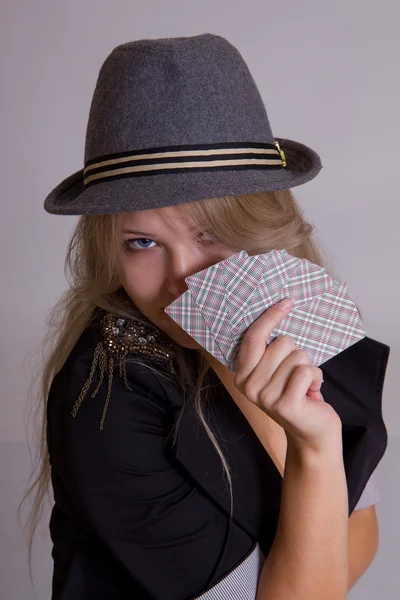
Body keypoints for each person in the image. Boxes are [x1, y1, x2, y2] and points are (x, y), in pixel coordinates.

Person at [22, 34, 390, 599]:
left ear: (261, 223)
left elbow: (360, 538)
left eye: (211, 232)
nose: (184, 278)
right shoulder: (104, 398)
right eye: (141, 242)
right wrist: (315, 453)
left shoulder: (307, 320)